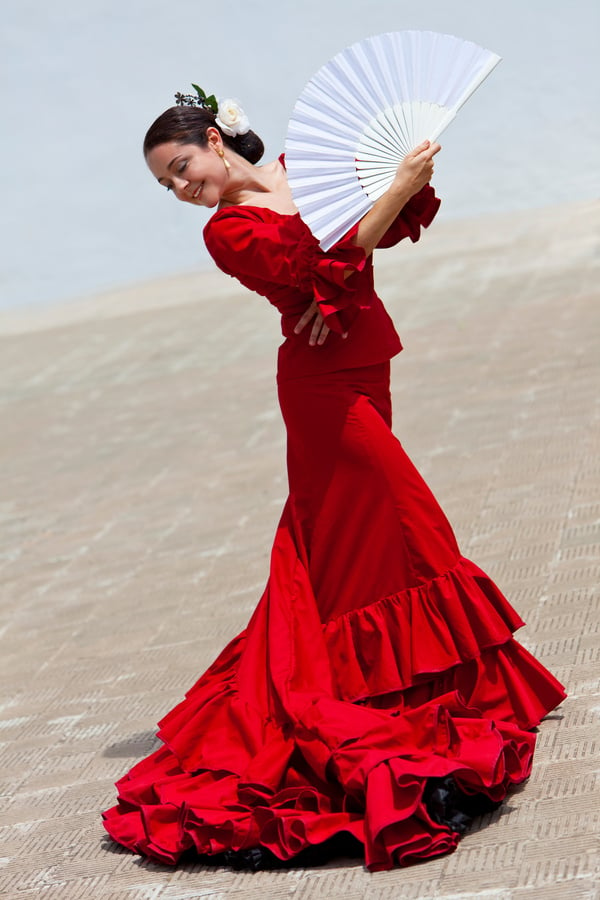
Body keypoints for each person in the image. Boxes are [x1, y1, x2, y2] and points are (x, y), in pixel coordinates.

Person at [102, 89, 566, 872]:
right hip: (321, 394)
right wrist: (377, 209)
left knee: (364, 543)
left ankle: (434, 682)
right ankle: (421, 691)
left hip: (361, 366)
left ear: (216, 141)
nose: (182, 189)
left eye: (182, 167)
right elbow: (333, 256)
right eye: (167, 184)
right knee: (413, 524)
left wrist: (405, 178)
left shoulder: (301, 171)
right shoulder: (228, 231)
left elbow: (376, 235)